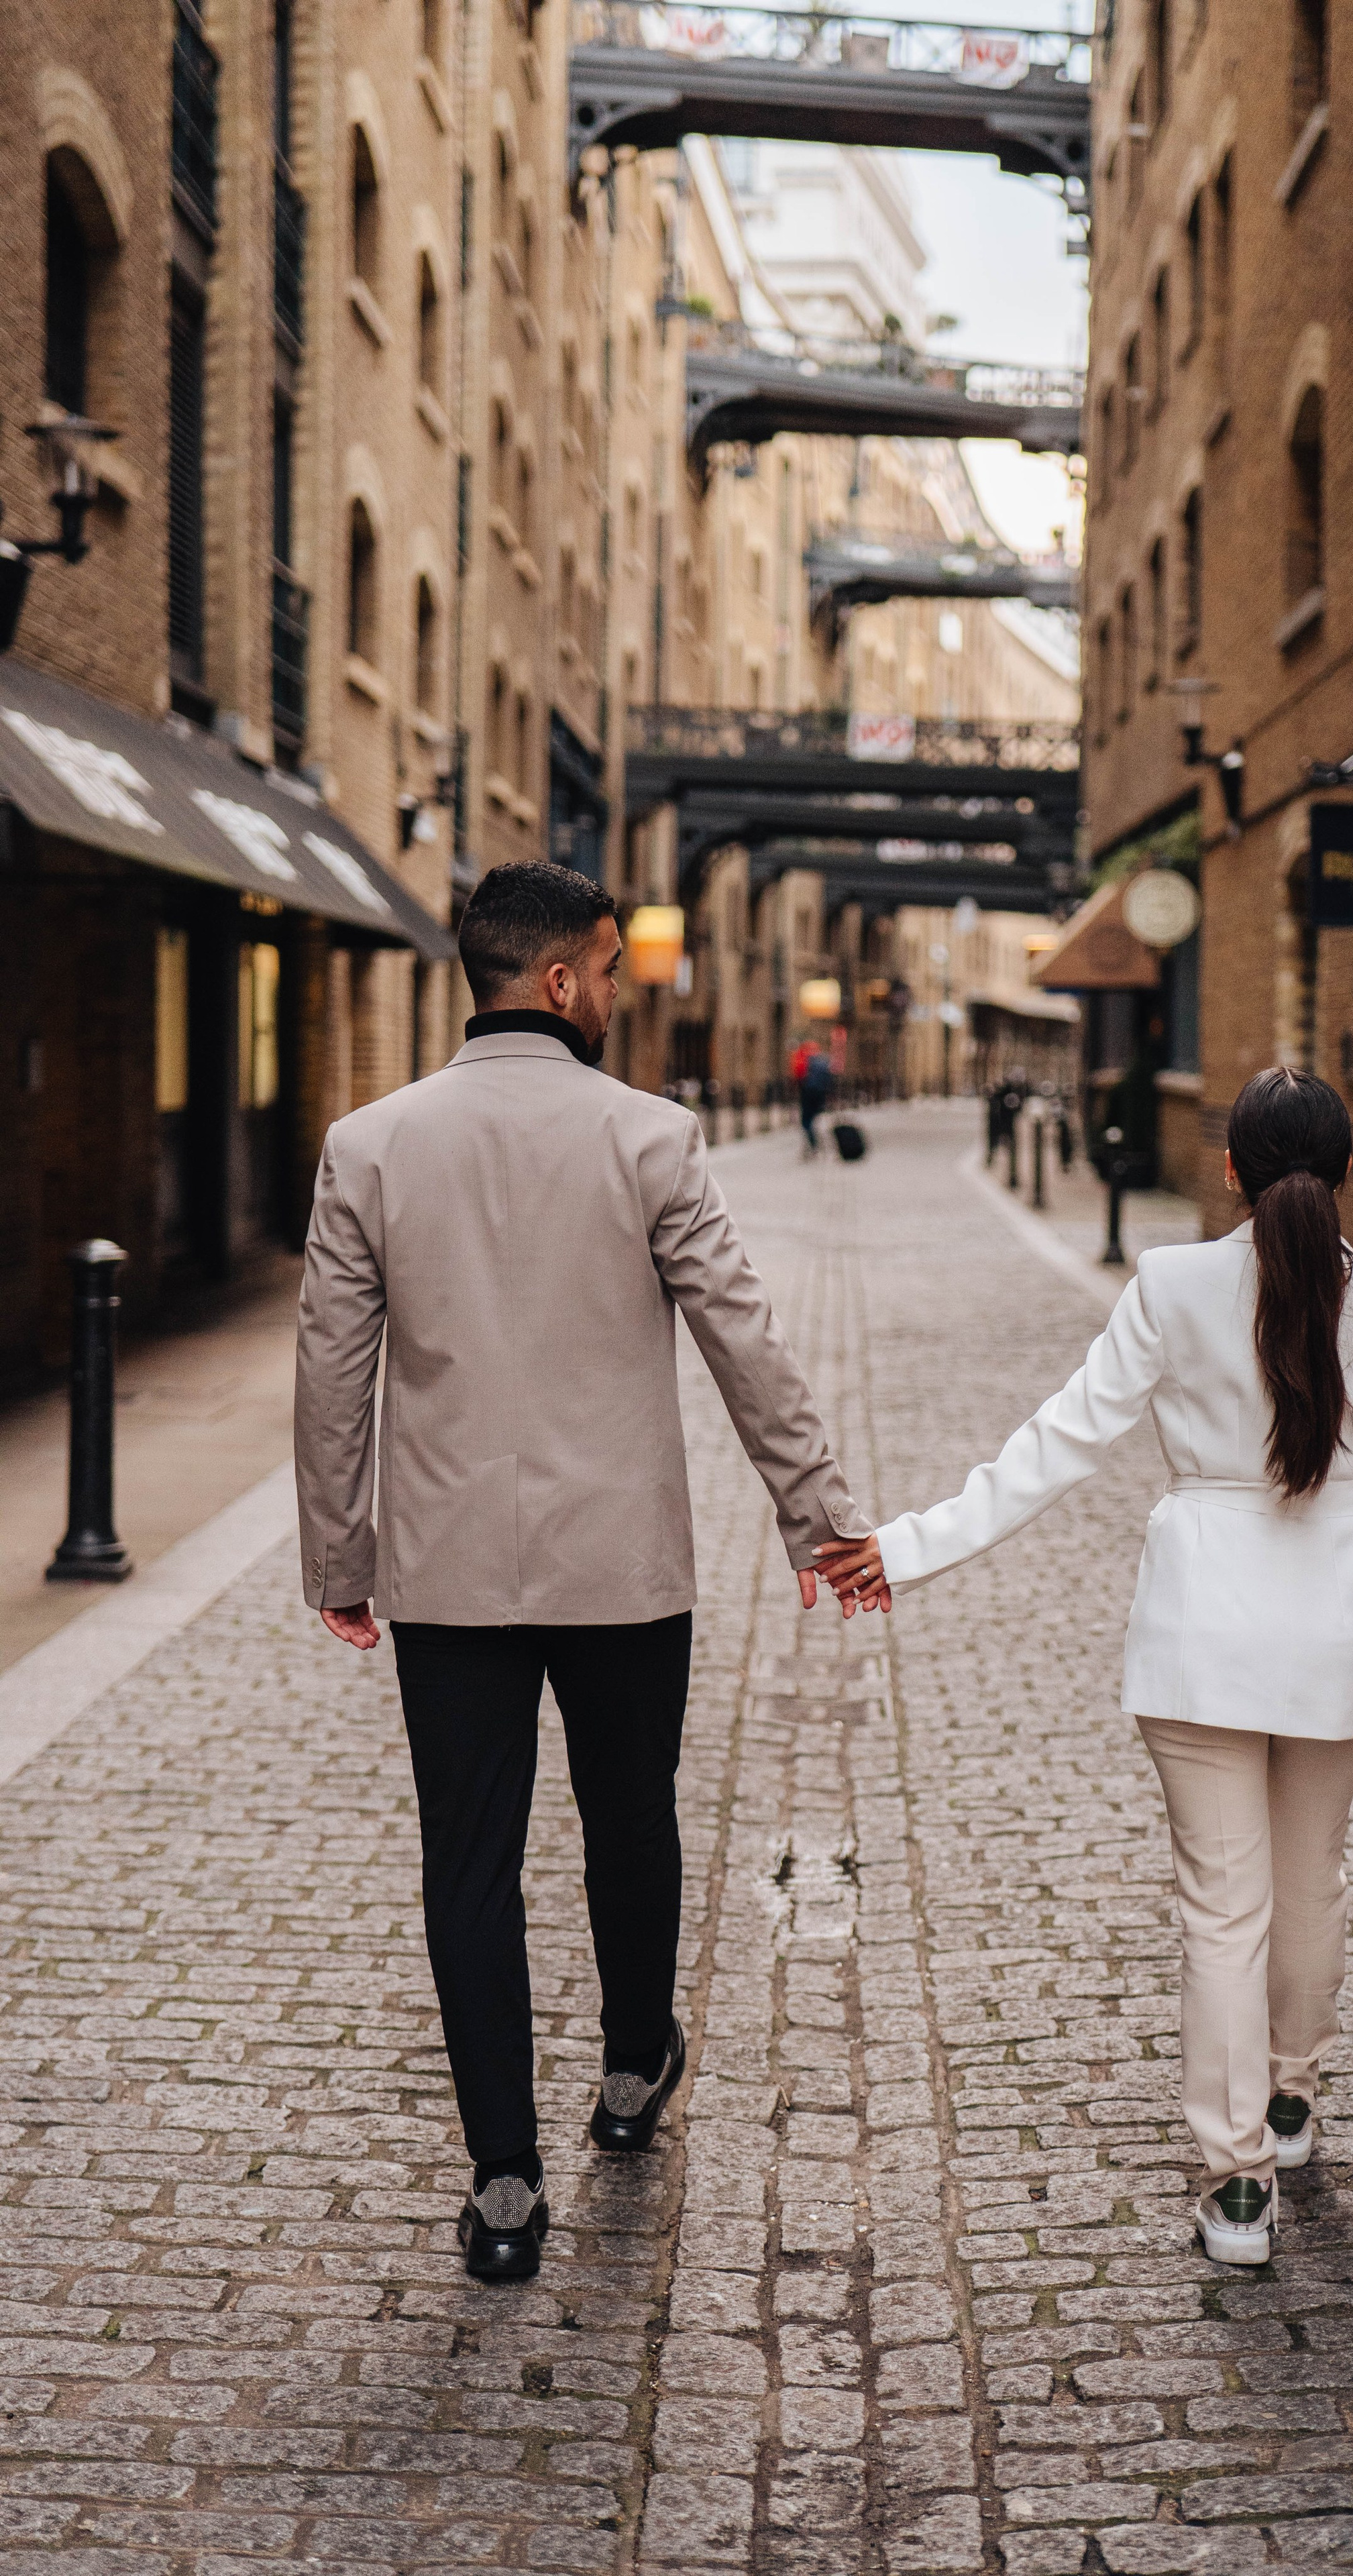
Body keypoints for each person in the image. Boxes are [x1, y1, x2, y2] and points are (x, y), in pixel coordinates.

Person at [294, 863, 874, 2284]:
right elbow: (745, 1340)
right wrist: (820, 1516)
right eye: (610, 968)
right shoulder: (651, 1139)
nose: (616, 990)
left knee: (471, 1860)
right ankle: (628, 2072)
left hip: (447, 1576)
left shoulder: (369, 1145)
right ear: (559, 981)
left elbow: (330, 1372)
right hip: (622, 1571)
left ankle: (503, 2180)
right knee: (630, 1820)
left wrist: (340, 1556)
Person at [816, 1067, 1353, 2267]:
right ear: (1350, 1171)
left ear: (1229, 1173)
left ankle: (1239, 2182)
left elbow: (1053, 1448)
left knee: (1226, 1907)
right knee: (1312, 1882)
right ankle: (1293, 2093)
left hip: (1201, 1637)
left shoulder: (1173, 1284)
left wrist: (903, 1548)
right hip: (1340, 1641)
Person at [796, 1042, 832, 1155]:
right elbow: (829, 1079)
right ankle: (814, 1141)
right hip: (820, 1094)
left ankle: (813, 1143)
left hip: (808, 1093)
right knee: (814, 1118)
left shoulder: (806, 1061)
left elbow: (799, 1077)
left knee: (806, 1120)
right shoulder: (824, 1062)